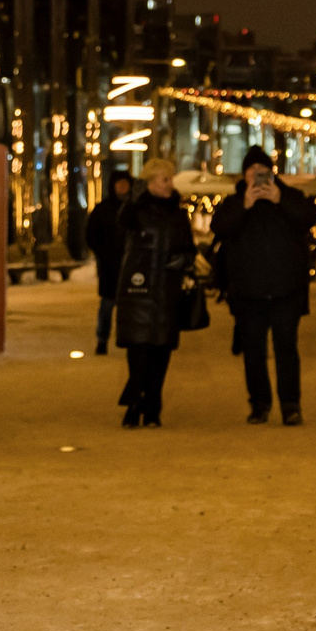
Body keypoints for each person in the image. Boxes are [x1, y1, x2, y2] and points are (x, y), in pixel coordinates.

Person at [209, 147, 316, 426]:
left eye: (262, 171)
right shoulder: (234, 202)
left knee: (286, 349)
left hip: (286, 289)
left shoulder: (289, 197)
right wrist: (245, 203)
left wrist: (280, 199)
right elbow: (219, 227)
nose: (257, 177)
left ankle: (290, 405)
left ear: (272, 173)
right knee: (253, 351)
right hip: (247, 291)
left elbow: (308, 218)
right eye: (251, 171)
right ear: (244, 175)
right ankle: (259, 403)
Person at [115, 158, 198, 428]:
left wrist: (181, 261)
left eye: (170, 179)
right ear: (150, 182)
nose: (170, 185)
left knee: (161, 352)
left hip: (165, 292)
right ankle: (135, 403)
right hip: (137, 291)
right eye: (165, 180)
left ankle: (152, 406)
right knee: (138, 352)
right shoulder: (136, 210)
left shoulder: (178, 214)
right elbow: (122, 222)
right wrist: (134, 197)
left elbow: (189, 248)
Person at [85, 170, 134, 354]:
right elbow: (91, 234)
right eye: (119, 184)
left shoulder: (134, 208)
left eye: (125, 183)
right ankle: (102, 339)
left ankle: (129, 339)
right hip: (109, 267)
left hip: (131, 266)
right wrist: (103, 254)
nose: (122, 187)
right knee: (107, 304)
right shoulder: (103, 208)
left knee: (129, 306)